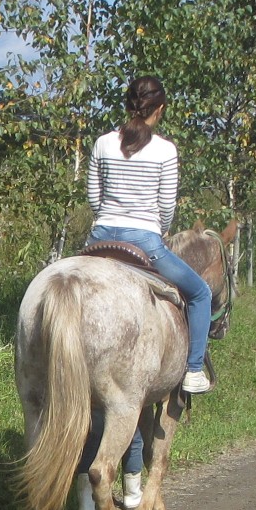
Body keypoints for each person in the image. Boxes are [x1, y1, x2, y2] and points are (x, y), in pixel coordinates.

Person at [85, 74, 213, 394]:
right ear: (160, 109)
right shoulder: (165, 150)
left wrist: (107, 217)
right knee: (200, 294)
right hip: (144, 240)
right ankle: (194, 370)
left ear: (128, 105)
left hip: (99, 238)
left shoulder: (102, 143)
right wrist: (162, 227)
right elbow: (166, 205)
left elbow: (93, 196)